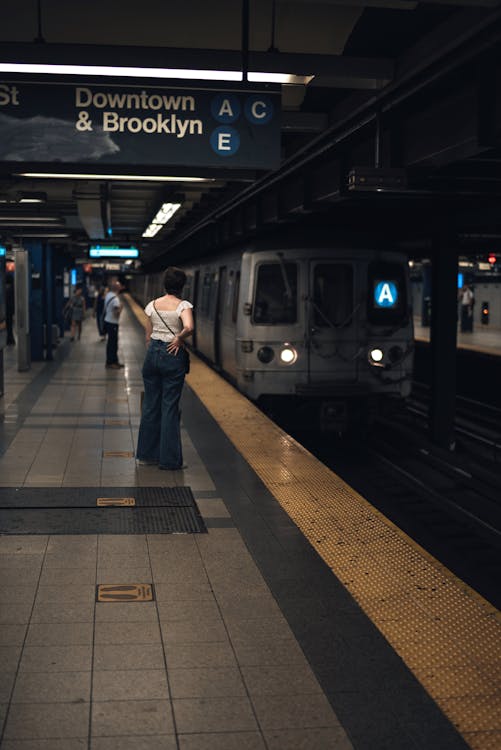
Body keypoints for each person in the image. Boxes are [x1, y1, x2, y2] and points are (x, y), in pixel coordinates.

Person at [136, 267, 194, 470]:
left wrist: (155, 351)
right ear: (182, 286)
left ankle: (146, 456)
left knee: (151, 406)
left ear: (165, 285)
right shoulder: (183, 305)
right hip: (173, 356)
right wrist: (178, 338)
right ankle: (169, 460)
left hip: (153, 355)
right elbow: (189, 327)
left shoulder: (152, 305)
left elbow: (147, 336)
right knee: (169, 407)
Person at [104, 277, 125, 368]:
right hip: (112, 323)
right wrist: (121, 308)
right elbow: (117, 314)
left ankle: (114, 361)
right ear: (117, 288)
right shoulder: (115, 299)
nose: (121, 287)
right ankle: (111, 363)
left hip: (108, 321)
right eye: (120, 286)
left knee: (111, 343)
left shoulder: (108, 294)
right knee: (113, 343)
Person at [5, 274, 15, 345]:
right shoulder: (12, 288)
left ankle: (9, 339)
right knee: (10, 325)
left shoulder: (6, 289)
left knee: (8, 325)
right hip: (10, 310)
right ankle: (10, 339)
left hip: (7, 310)